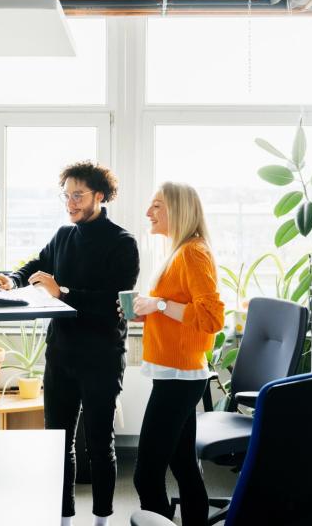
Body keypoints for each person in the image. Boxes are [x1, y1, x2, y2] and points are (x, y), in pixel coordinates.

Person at [0, 161, 139, 526]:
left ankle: (102, 519)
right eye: (66, 195)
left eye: (78, 195)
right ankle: (64, 518)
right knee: (58, 442)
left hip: (101, 355)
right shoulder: (63, 236)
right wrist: (11, 279)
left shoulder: (122, 243)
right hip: (62, 353)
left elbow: (113, 304)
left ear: (100, 196)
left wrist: (62, 291)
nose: (70, 202)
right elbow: (37, 265)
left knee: (100, 445)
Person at [126, 182, 224, 526]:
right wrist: (150, 310)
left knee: (146, 474)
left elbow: (211, 318)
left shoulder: (193, 253)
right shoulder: (178, 251)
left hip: (180, 377)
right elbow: (179, 309)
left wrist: (161, 304)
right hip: (176, 373)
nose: (148, 213)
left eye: (156, 206)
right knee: (183, 465)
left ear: (177, 210)